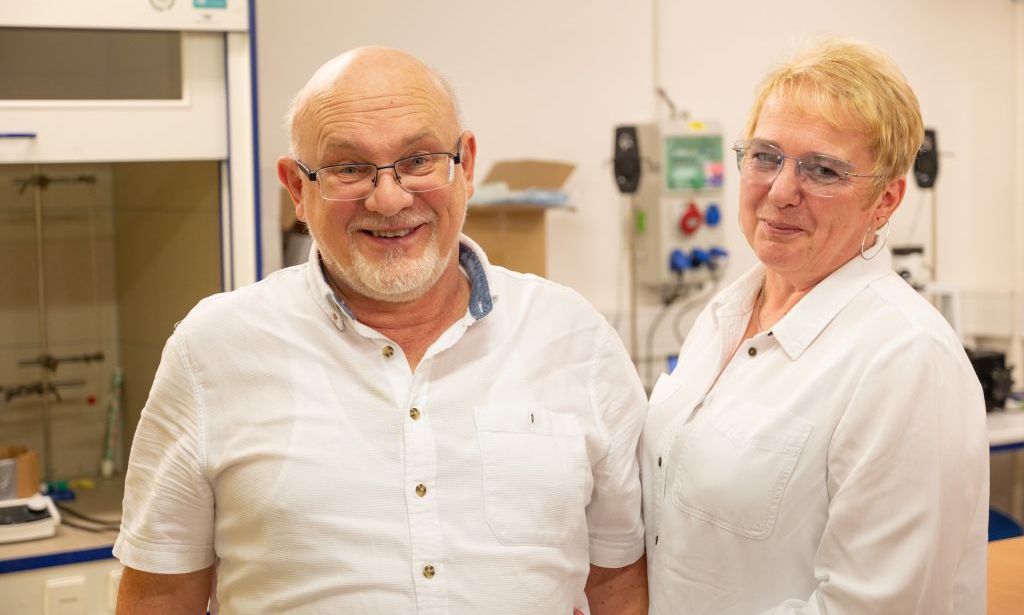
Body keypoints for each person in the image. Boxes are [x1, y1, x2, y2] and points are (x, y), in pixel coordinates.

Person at [113, 46, 649, 614]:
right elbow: (159, 595)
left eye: (418, 160)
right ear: (297, 188)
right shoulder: (213, 350)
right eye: (348, 168)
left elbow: (618, 582)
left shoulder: (574, 339)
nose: (389, 199)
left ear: (465, 165)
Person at [641, 37, 989, 614]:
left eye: (823, 170)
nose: (781, 191)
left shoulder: (906, 359)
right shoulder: (724, 314)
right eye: (765, 156)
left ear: (885, 200)